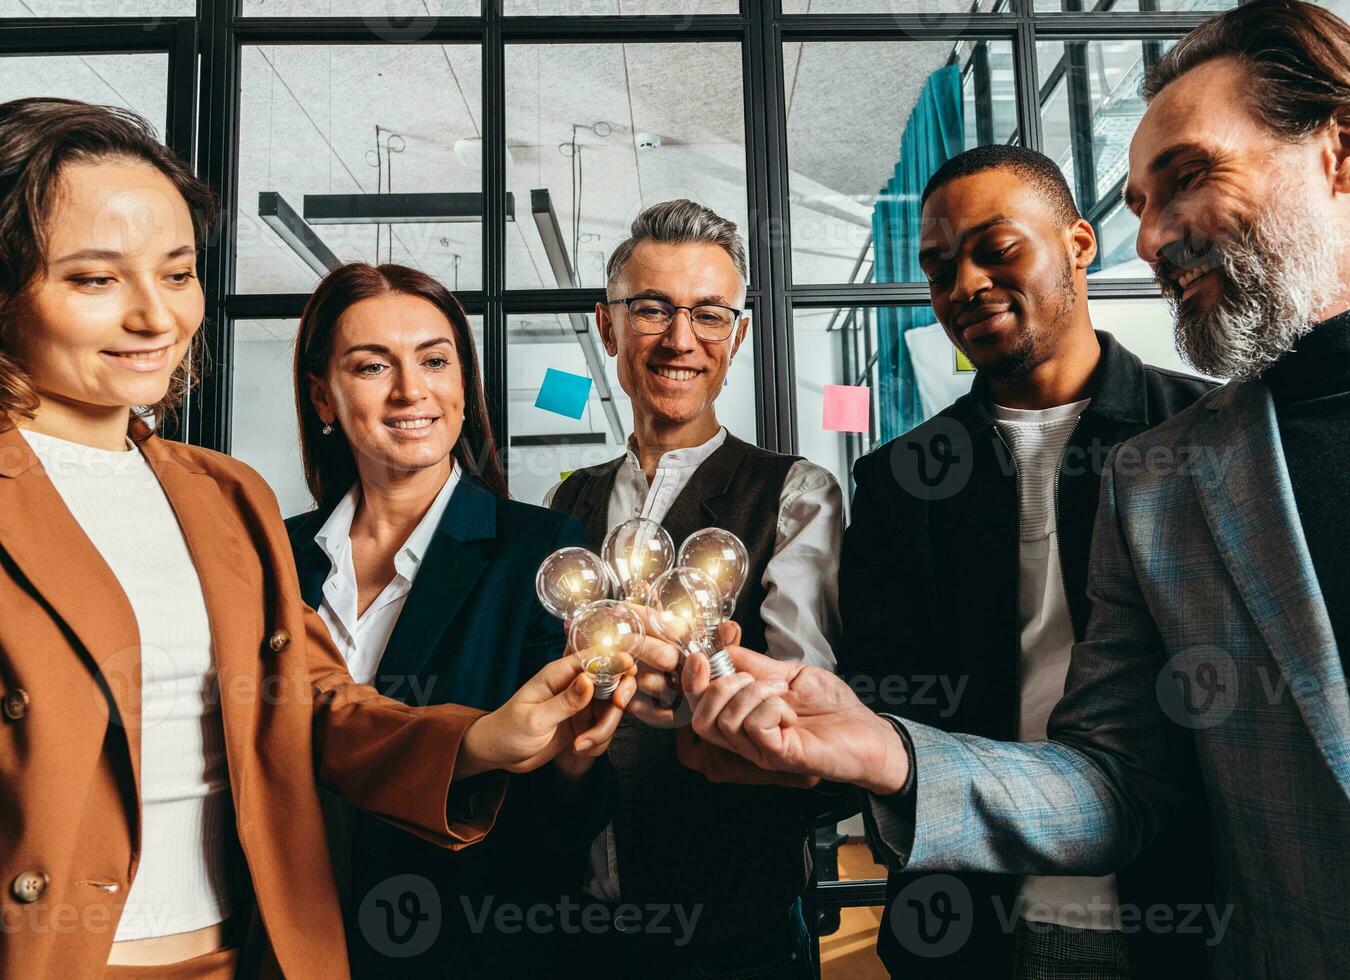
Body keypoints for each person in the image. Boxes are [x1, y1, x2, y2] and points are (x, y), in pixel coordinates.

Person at [677, 1, 1350, 976]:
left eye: (1187, 178)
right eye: (1141, 201)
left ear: (1347, 145)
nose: (1156, 239)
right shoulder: (1162, 479)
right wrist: (884, 748)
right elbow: (1120, 777)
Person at [0, 97, 625, 980]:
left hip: (258, 956)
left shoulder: (221, 496)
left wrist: (484, 741)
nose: (156, 318)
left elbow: (316, 707)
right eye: (95, 279)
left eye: (177, 274)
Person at [839, 144, 1214, 978]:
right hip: (973, 917)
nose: (965, 286)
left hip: (1187, 909)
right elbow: (882, 698)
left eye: (996, 249)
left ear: (1080, 244)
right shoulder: (901, 482)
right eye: (940, 270)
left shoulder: (1203, 435)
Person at [281, 262, 619, 976]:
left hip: (465, 948)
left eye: (435, 360)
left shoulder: (543, 550)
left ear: (463, 382)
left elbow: (557, 826)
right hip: (283, 939)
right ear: (323, 397)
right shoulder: (271, 556)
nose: (412, 391)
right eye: (373, 366)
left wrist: (575, 762)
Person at [544, 199, 844, 978]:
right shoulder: (564, 501)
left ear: (738, 336)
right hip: (575, 908)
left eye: (710, 314)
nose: (682, 339)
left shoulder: (795, 492)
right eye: (652, 309)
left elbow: (805, 707)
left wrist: (699, 684)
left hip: (730, 919)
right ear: (608, 327)